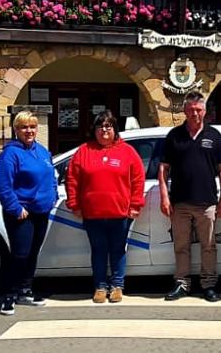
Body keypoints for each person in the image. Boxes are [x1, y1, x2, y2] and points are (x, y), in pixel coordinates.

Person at [66, 109, 145, 304]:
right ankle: (100, 286)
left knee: (118, 250)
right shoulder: (83, 151)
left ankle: (117, 285)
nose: (104, 130)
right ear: (94, 130)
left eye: (108, 126)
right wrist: (74, 204)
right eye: (100, 127)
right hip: (92, 214)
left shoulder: (127, 152)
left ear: (115, 129)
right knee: (98, 250)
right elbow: (72, 179)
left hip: (120, 213)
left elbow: (138, 179)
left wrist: (135, 204)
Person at [158, 92, 221, 302]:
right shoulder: (174, 135)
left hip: (207, 202)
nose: (194, 113)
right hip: (179, 203)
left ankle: (208, 285)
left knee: (208, 246)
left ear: (205, 111)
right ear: (184, 111)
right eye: (190, 110)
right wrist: (164, 197)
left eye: (198, 109)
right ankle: (182, 284)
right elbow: (163, 169)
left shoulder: (214, 136)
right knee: (181, 246)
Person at [0, 110, 58, 316]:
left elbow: (51, 176)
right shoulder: (10, 154)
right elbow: (3, 186)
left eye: (32, 126)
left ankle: (26, 290)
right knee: (20, 255)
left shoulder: (42, 151)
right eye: (23, 127)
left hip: (41, 211)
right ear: (16, 130)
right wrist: (15, 208)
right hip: (22, 213)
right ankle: (9, 296)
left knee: (32, 254)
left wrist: (53, 196)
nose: (28, 131)